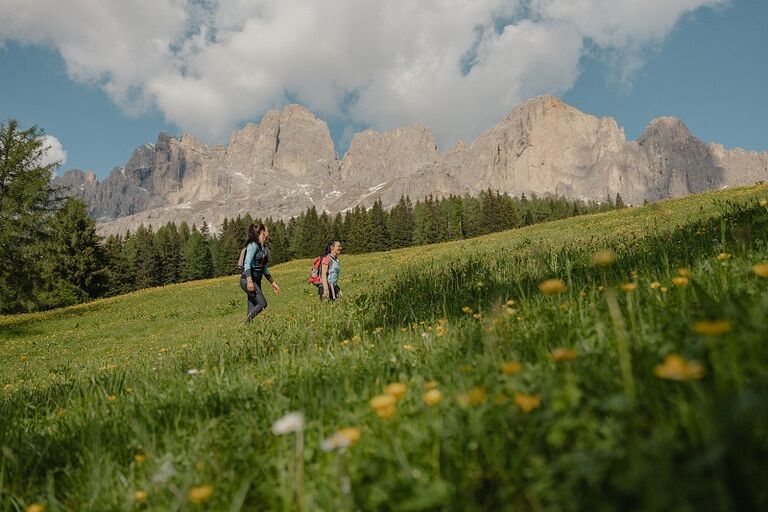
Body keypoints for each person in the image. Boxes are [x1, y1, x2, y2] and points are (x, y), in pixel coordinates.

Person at [240, 223, 280, 321]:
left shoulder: (264, 248)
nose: (268, 231)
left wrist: (273, 283)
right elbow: (247, 263)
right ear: (262, 231)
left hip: (257, 281)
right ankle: (245, 323)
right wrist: (249, 281)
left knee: (252, 307)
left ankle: (247, 329)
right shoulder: (253, 245)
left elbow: (264, 269)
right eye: (267, 229)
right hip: (248, 279)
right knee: (262, 303)